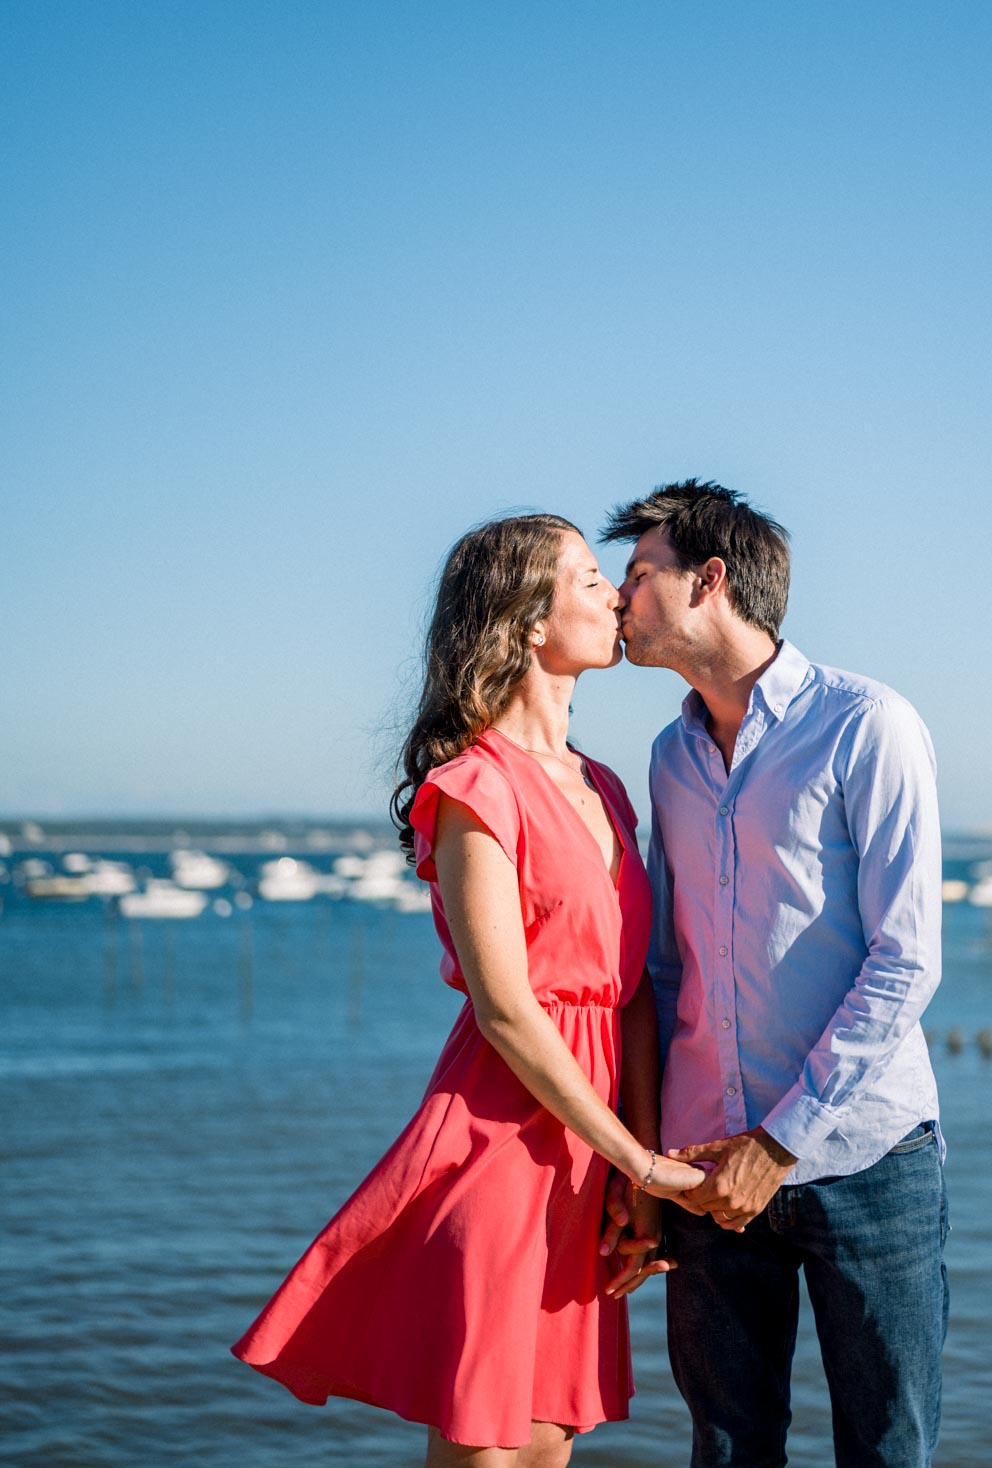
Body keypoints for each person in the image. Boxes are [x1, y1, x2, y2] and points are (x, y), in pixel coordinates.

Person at [232, 514, 704, 1468]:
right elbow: (505, 1010)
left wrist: (634, 1167)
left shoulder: (607, 787)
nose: (616, 593)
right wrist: (640, 1162)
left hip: (593, 1145)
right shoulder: (475, 787)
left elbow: (634, 991)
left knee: (549, 1436)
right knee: (487, 1447)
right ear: (529, 620)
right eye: (586, 580)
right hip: (504, 1133)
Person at [599, 481, 948, 1468]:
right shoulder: (668, 755)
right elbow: (667, 969)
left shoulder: (864, 725)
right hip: (706, 1168)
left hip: (867, 1163)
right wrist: (653, 1165)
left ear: (708, 580)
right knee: (727, 1449)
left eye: (637, 574)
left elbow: (906, 958)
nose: (617, 596)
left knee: (887, 1450)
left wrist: (778, 1143)